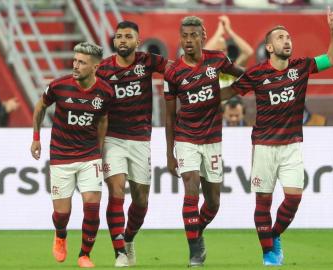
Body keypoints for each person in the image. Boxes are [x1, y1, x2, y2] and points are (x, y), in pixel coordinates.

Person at [221, 7, 333, 266]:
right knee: (263, 201)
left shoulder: (302, 67)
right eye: (280, 37)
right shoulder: (256, 74)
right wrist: (198, 96)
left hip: (292, 145)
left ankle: (272, 236)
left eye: (288, 37)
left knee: (294, 198)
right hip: (264, 146)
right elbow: (227, 94)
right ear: (269, 47)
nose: (287, 41)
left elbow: (332, 59)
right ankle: (269, 254)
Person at [164, 16, 244, 267]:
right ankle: (194, 252)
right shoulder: (172, 72)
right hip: (186, 136)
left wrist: (225, 94)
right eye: (184, 35)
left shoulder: (217, 59)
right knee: (191, 186)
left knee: (213, 202)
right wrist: (169, 154)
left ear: (203, 35)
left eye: (193, 35)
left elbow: (245, 77)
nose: (188, 40)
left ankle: (197, 231)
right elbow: (169, 116)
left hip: (212, 139)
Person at [30, 42, 114, 268]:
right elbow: (40, 107)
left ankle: (84, 254)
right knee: (61, 213)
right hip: (61, 155)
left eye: (82, 62)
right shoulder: (59, 86)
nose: (75, 66)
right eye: (75, 61)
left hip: (89, 156)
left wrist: (99, 148)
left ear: (95, 67)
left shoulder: (106, 91)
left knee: (91, 204)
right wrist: (36, 137)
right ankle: (60, 235)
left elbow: (104, 119)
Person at [96, 21, 168, 267]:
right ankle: (120, 253)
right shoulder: (103, 69)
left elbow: (178, 71)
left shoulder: (148, 61)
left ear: (138, 41)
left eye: (128, 36)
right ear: (114, 42)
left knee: (140, 199)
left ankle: (128, 239)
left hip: (140, 139)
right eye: (118, 36)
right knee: (116, 191)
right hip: (112, 138)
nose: (122, 40)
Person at [204, 15, 254, 88]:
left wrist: (229, 30)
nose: (221, 53)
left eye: (224, 49)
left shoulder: (232, 68)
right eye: (218, 50)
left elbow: (249, 52)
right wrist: (219, 32)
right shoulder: (206, 69)